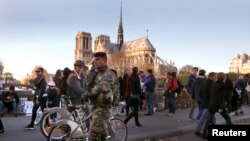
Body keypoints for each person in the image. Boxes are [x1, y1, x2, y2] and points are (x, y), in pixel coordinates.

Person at [87, 52, 119, 141]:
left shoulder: (109, 74)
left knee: (92, 135)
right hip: (96, 107)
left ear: (105, 60)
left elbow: (101, 87)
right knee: (102, 136)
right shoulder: (97, 74)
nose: (95, 62)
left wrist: (87, 94)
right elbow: (89, 85)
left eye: (98, 59)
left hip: (103, 109)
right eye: (94, 60)